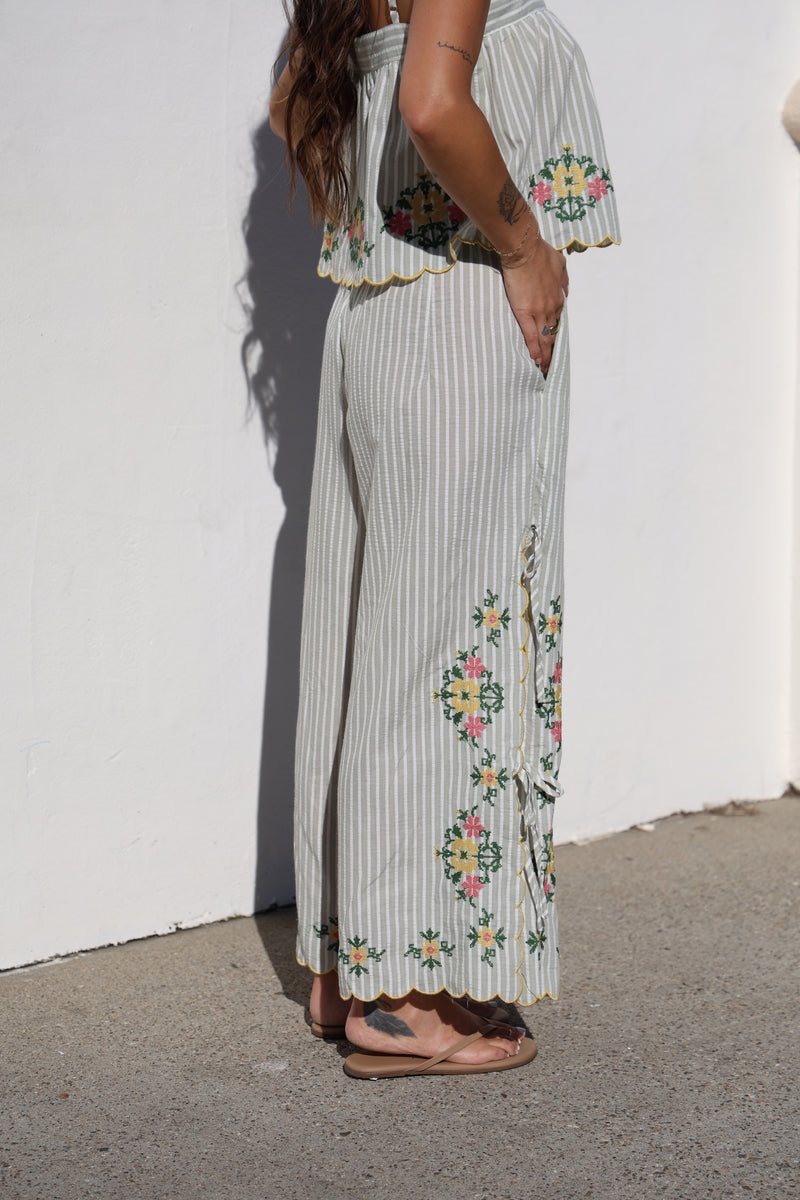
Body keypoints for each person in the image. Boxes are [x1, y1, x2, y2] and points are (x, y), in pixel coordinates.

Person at [269, 0, 619, 1078]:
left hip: (372, 308)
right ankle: (400, 1000)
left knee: (358, 632)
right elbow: (431, 103)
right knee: (436, 652)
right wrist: (523, 247)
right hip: (463, 296)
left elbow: (296, 105)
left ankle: (346, 959)